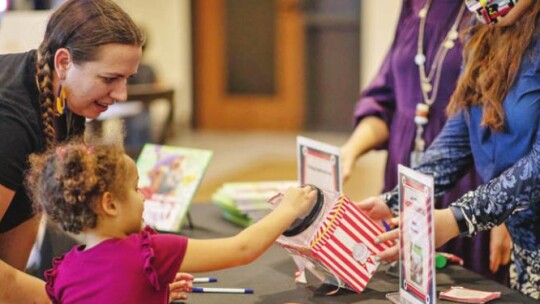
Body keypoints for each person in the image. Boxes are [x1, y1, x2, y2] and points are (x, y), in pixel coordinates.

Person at [358, 0, 540, 299]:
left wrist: (456, 218)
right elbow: (461, 133)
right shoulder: (482, 32)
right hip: (527, 251)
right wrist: (396, 200)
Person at [24, 137, 317, 303]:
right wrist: (287, 209)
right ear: (110, 204)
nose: (143, 197)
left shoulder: (65, 271)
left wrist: (154, 294)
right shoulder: (149, 252)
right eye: (136, 188)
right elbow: (242, 250)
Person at [0, 0, 143, 302]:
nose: (121, 94)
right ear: (64, 62)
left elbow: (25, 208)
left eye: (127, 79)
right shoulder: (10, 122)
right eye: (109, 78)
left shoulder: (63, 96)